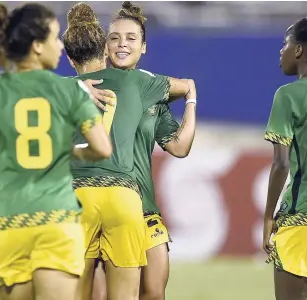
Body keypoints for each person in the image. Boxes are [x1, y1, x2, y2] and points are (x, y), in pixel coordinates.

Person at [0, 2, 112, 300]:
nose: (61, 46)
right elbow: (102, 148)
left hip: (7, 223)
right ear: (37, 46)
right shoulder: (71, 90)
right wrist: (72, 153)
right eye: (54, 38)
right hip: (56, 220)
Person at [62, 3, 193, 300]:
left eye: (131, 38)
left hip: (136, 205)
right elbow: (184, 85)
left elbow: (178, 145)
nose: (122, 44)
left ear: (144, 47)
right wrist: (190, 92)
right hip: (123, 200)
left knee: (152, 293)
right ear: (104, 46)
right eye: (115, 38)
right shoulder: (140, 84)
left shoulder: (70, 87)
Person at [263, 17, 307, 300]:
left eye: (286, 43)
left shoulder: (288, 95)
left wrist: (268, 217)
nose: (281, 51)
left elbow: (281, 164)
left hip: (303, 215)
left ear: (299, 51)